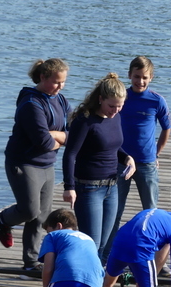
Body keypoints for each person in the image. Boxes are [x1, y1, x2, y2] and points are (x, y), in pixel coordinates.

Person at [0, 58, 72, 273]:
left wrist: (58, 135)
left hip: (48, 164)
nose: (60, 86)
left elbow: (73, 132)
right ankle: (3, 219)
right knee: (29, 210)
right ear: (42, 77)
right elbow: (43, 142)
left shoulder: (61, 100)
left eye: (63, 82)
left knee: (42, 216)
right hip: (24, 162)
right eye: (56, 82)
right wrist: (60, 138)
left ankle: (31, 263)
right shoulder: (31, 103)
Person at [62, 73, 136, 260]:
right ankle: (83, 283)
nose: (115, 110)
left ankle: (97, 282)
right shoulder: (84, 120)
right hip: (89, 188)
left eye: (120, 106)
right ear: (100, 99)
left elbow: (112, 145)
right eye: (111, 106)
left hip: (112, 186)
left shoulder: (115, 118)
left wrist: (127, 158)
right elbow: (70, 154)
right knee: (91, 243)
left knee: (104, 243)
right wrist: (69, 187)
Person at [105, 57, 171, 262]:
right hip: (121, 162)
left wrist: (157, 153)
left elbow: (166, 127)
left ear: (151, 78)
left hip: (146, 163)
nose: (140, 82)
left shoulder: (156, 100)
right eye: (136, 77)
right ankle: (107, 255)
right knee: (114, 210)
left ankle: (152, 256)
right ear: (129, 75)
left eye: (144, 78)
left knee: (150, 213)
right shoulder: (121, 96)